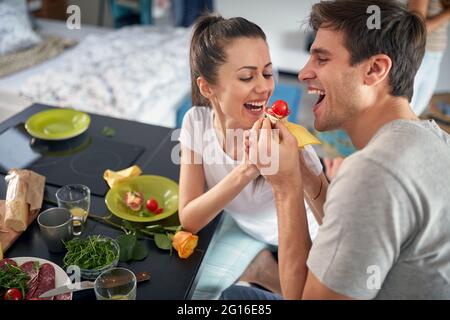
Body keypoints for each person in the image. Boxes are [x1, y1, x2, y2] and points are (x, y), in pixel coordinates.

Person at [221, 0, 450, 300]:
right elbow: (355, 231)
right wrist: (305, 172)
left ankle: (263, 273)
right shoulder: (435, 137)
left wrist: (285, 186)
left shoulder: (374, 172)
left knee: (233, 299)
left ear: (375, 69)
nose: (303, 73)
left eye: (322, 59)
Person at [178, 14, 329, 299]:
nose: (264, 87)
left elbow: (333, 223)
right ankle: (258, 268)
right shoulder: (195, 123)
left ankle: (261, 271)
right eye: (247, 76)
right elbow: (189, 218)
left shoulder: (289, 143)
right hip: (244, 228)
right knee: (195, 293)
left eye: (268, 73)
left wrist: (300, 172)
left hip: (303, 241)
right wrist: (248, 168)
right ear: (207, 88)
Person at [409, 0, 450, 116]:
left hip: (435, 57)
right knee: (408, 110)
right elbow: (417, 28)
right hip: (421, 54)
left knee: (416, 111)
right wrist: (448, 14)